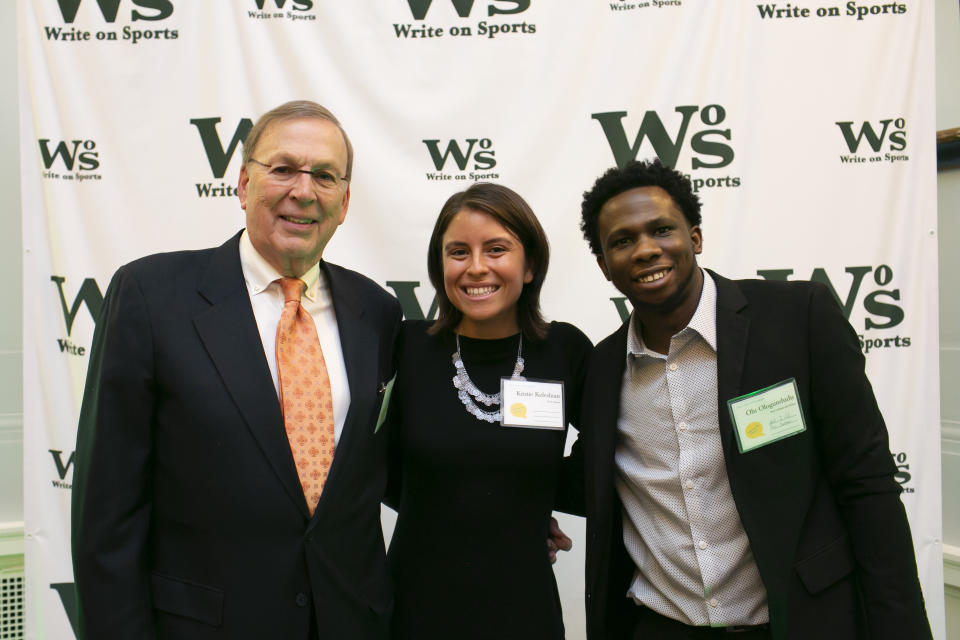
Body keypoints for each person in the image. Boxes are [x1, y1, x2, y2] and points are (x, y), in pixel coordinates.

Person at [71, 100, 401, 640]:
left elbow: (394, 472)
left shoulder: (378, 313)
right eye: (283, 168)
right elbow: (107, 517)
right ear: (244, 183)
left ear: (343, 203)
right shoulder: (151, 298)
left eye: (324, 175)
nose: (303, 190)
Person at [574, 159, 931, 639]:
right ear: (604, 266)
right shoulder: (600, 369)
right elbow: (584, 481)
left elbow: (867, 485)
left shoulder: (798, 319)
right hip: (663, 626)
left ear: (694, 238)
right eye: (622, 241)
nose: (645, 250)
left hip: (798, 622)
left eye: (661, 230)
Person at [384, 182, 592, 640]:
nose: (476, 267)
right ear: (440, 266)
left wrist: (524, 500)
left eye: (496, 249)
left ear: (531, 264)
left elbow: (610, 455)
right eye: (458, 252)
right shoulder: (405, 348)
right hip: (415, 607)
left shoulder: (565, 351)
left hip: (524, 609)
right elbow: (373, 463)